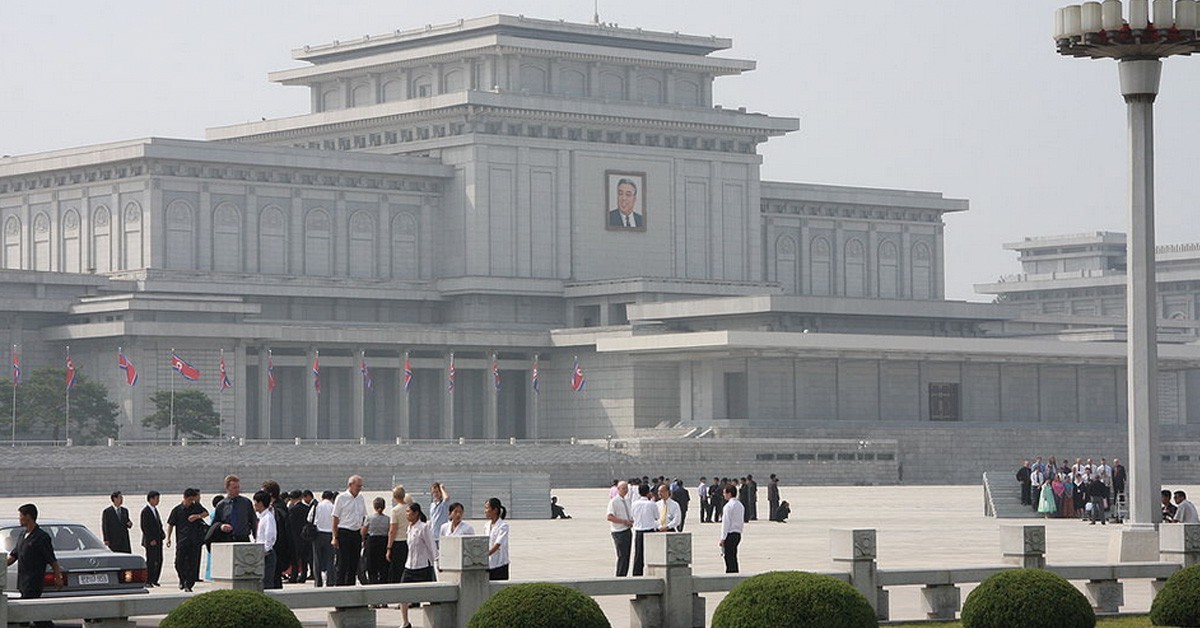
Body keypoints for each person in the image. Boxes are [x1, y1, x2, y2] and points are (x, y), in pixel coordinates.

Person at [7, 503, 63, 606]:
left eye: (21, 516)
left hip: (34, 582)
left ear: (28, 516)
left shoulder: (41, 537)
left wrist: (58, 578)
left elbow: (52, 560)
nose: (19, 519)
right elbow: (13, 556)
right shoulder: (22, 535)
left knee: (28, 612)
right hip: (22, 582)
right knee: (30, 614)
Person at [398, 502, 436, 628]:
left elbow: (431, 547)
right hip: (409, 566)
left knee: (430, 596)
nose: (406, 514)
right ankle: (405, 622)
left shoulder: (424, 527)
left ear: (416, 513)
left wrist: (436, 563)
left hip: (423, 567)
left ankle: (434, 621)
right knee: (402, 594)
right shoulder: (410, 527)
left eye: (408, 511)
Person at [165, 488, 208, 592]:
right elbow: (171, 524)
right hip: (182, 540)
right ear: (184, 498)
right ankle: (182, 579)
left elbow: (206, 513)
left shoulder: (196, 507)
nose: (191, 502)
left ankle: (189, 584)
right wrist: (168, 538)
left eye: (193, 500)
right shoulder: (177, 510)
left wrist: (197, 516)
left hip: (194, 540)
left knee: (192, 564)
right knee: (178, 563)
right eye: (189, 500)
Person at [331, 475, 367, 586]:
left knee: (353, 565)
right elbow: (335, 517)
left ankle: (350, 592)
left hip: (356, 533)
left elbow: (364, 516)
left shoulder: (361, 498)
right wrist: (334, 537)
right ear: (350, 485)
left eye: (361, 486)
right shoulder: (341, 498)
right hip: (344, 532)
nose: (359, 488)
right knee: (342, 565)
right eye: (358, 486)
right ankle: (340, 592)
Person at [211, 475, 255, 543]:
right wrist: (221, 526)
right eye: (234, 488)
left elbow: (253, 521)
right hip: (227, 539)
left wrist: (257, 538)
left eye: (238, 487)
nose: (237, 490)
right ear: (227, 488)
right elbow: (215, 524)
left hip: (243, 539)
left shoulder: (246, 503)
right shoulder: (221, 505)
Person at [252, 489, 279, 590]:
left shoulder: (268, 517)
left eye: (255, 502)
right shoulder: (262, 517)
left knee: (267, 583)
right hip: (261, 553)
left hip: (266, 554)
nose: (254, 505)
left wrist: (265, 550)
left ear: (260, 503)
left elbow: (270, 535)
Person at [606, 480, 634, 577]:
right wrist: (624, 521)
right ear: (618, 489)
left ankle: (624, 575)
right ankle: (619, 576)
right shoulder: (614, 501)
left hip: (627, 530)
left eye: (626, 488)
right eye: (623, 488)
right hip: (618, 531)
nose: (625, 490)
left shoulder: (626, 500)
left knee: (627, 556)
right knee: (622, 555)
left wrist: (630, 521)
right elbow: (609, 517)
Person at [630, 482, 657, 577]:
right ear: (648, 492)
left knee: (638, 556)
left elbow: (632, 516)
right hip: (649, 531)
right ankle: (652, 574)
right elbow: (656, 517)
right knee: (652, 555)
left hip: (638, 531)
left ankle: (637, 575)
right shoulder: (651, 504)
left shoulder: (634, 504)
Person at [140, 490, 165, 587]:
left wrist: (162, 533)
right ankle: (148, 580)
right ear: (151, 499)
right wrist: (150, 539)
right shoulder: (145, 511)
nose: (158, 501)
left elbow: (158, 524)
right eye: (156, 499)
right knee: (151, 560)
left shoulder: (155, 510)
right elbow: (144, 527)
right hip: (151, 541)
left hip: (158, 540)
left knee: (159, 559)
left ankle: (155, 579)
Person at [385, 485, 410, 586]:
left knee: (396, 569)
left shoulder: (395, 510)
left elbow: (392, 530)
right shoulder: (409, 508)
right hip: (408, 540)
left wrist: (389, 547)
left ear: (394, 497)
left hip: (398, 541)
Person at [311, 490, 336, 587]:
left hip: (318, 534)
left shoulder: (317, 506)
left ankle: (318, 582)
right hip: (330, 534)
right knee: (330, 559)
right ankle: (330, 581)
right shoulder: (333, 507)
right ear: (331, 498)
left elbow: (310, 519)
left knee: (317, 559)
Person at [287, 489, 313, 584]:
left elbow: (289, 525)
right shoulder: (307, 509)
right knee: (304, 558)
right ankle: (304, 575)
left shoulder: (292, 510)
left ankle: (294, 576)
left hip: (294, 537)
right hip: (305, 536)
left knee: (295, 559)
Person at [364, 497, 390, 585]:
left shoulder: (369, 518)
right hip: (384, 542)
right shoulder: (388, 519)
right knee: (383, 566)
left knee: (371, 567)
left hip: (372, 542)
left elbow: (363, 531)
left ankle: (372, 583)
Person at [483, 497, 510, 581]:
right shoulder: (486, 525)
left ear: (495, 510)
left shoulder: (503, 526)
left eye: (487, 508)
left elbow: (498, 544)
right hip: (489, 563)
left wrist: (485, 554)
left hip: (500, 564)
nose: (485, 511)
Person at [720, 485, 745, 573]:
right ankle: (735, 574)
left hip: (730, 534)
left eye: (724, 493)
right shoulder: (740, 505)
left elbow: (726, 523)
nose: (723, 495)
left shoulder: (728, 506)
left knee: (729, 558)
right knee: (733, 557)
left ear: (729, 494)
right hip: (737, 534)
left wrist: (723, 538)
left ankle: (730, 575)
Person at [428, 482, 450, 547]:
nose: (435, 494)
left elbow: (446, 497)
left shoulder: (444, 504)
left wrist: (442, 488)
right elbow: (431, 519)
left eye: (437, 492)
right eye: (433, 492)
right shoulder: (432, 505)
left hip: (442, 535)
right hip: (433, 536)